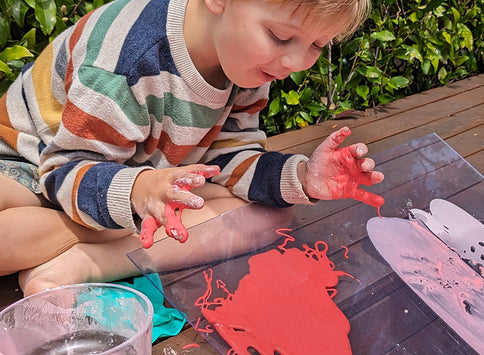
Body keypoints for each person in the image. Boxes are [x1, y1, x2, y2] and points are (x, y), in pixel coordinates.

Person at [0, 0, 382, 297]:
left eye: (317, 44)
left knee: (272, 217)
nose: (295, 63)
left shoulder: (248, 62)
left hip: (137, 176)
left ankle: (85, 263)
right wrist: (138, 191)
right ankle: (94, 237)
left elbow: (230, 155)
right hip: (33, 160)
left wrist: (302, 177)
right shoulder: (129, 58)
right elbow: (65, 167)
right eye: (280, 37)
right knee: (10, 229)